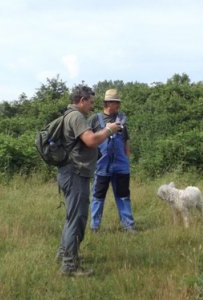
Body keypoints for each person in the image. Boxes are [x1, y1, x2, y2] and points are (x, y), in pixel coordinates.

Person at [56, 84, 122, 277]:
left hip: (70, 172)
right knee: (77, 219)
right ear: (82, 100)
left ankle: (64, 254)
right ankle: (69, 265)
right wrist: (109, 130)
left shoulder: (69, 115)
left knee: (72, 217)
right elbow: (91, 140)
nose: (92, 106)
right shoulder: (76, 116)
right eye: (91, 102)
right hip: (75, 173)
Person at [88, 89, 136, 233]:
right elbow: (88, 139)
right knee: (98, 197)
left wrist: (127, 160)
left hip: (121, 166)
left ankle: (128, 226)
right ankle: (95, 227)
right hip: (102, 165)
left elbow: (125, 141)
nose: (118, 106)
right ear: (108, 103)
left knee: (123, 196)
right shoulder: (95, 119)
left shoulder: (121, 119)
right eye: (116, 103)